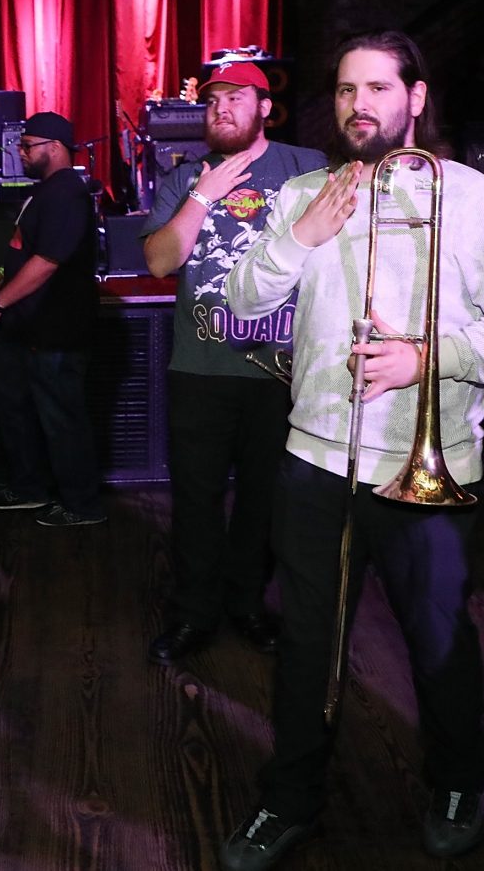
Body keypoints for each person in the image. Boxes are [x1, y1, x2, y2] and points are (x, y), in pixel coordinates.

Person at [217, 31, 484, 869]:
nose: (359, 105)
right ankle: (291, 797)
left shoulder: (477, 199)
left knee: (437, 637)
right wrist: (299, 236)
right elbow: (240, 298)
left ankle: (457, 777)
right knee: (306, 641)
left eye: (377, 88)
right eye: (345, 90)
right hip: (314, 461)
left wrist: (426, 357)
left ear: (415, 98)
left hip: (428, 461)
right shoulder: (308, 189)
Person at [140, 61, 327, 665]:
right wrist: (203, 195)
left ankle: (247, 604)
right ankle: (195, 614)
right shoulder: (183, 177)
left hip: (282, 371)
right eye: (214, 99)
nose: (221, 108)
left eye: (237, 97)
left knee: (263, 499)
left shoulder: (306, 167)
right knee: (195, 499)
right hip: (201, 368)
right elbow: (160, 263)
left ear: (265, 107)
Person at [0, 110, 105, 527]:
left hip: (57, 330)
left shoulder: (67, 192)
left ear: (54, 148)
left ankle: (83, 504)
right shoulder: (43, 192)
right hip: (29, 329)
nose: (21, 152)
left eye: (27, 145)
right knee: (16, 407)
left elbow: (47, 261)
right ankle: (30, 488)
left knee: (62, 418)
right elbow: (18, 251)